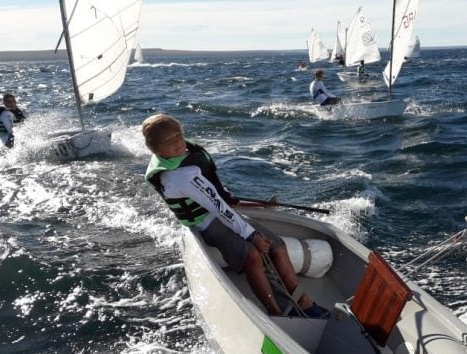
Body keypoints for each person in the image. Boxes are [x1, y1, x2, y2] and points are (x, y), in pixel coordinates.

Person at [141, 114, 330, 318]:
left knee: (277, 246)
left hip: (220, 212)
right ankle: (277, 312)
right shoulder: (179, 176)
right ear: (155, 149)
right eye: (169, 141)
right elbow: (218, 208)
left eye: (179, 135)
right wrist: (252, 236)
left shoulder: (179, 156)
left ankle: (302, 300)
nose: (178, 142)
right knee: (253, 256)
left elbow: (221, 198)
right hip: (205, 223)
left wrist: (259, 205)